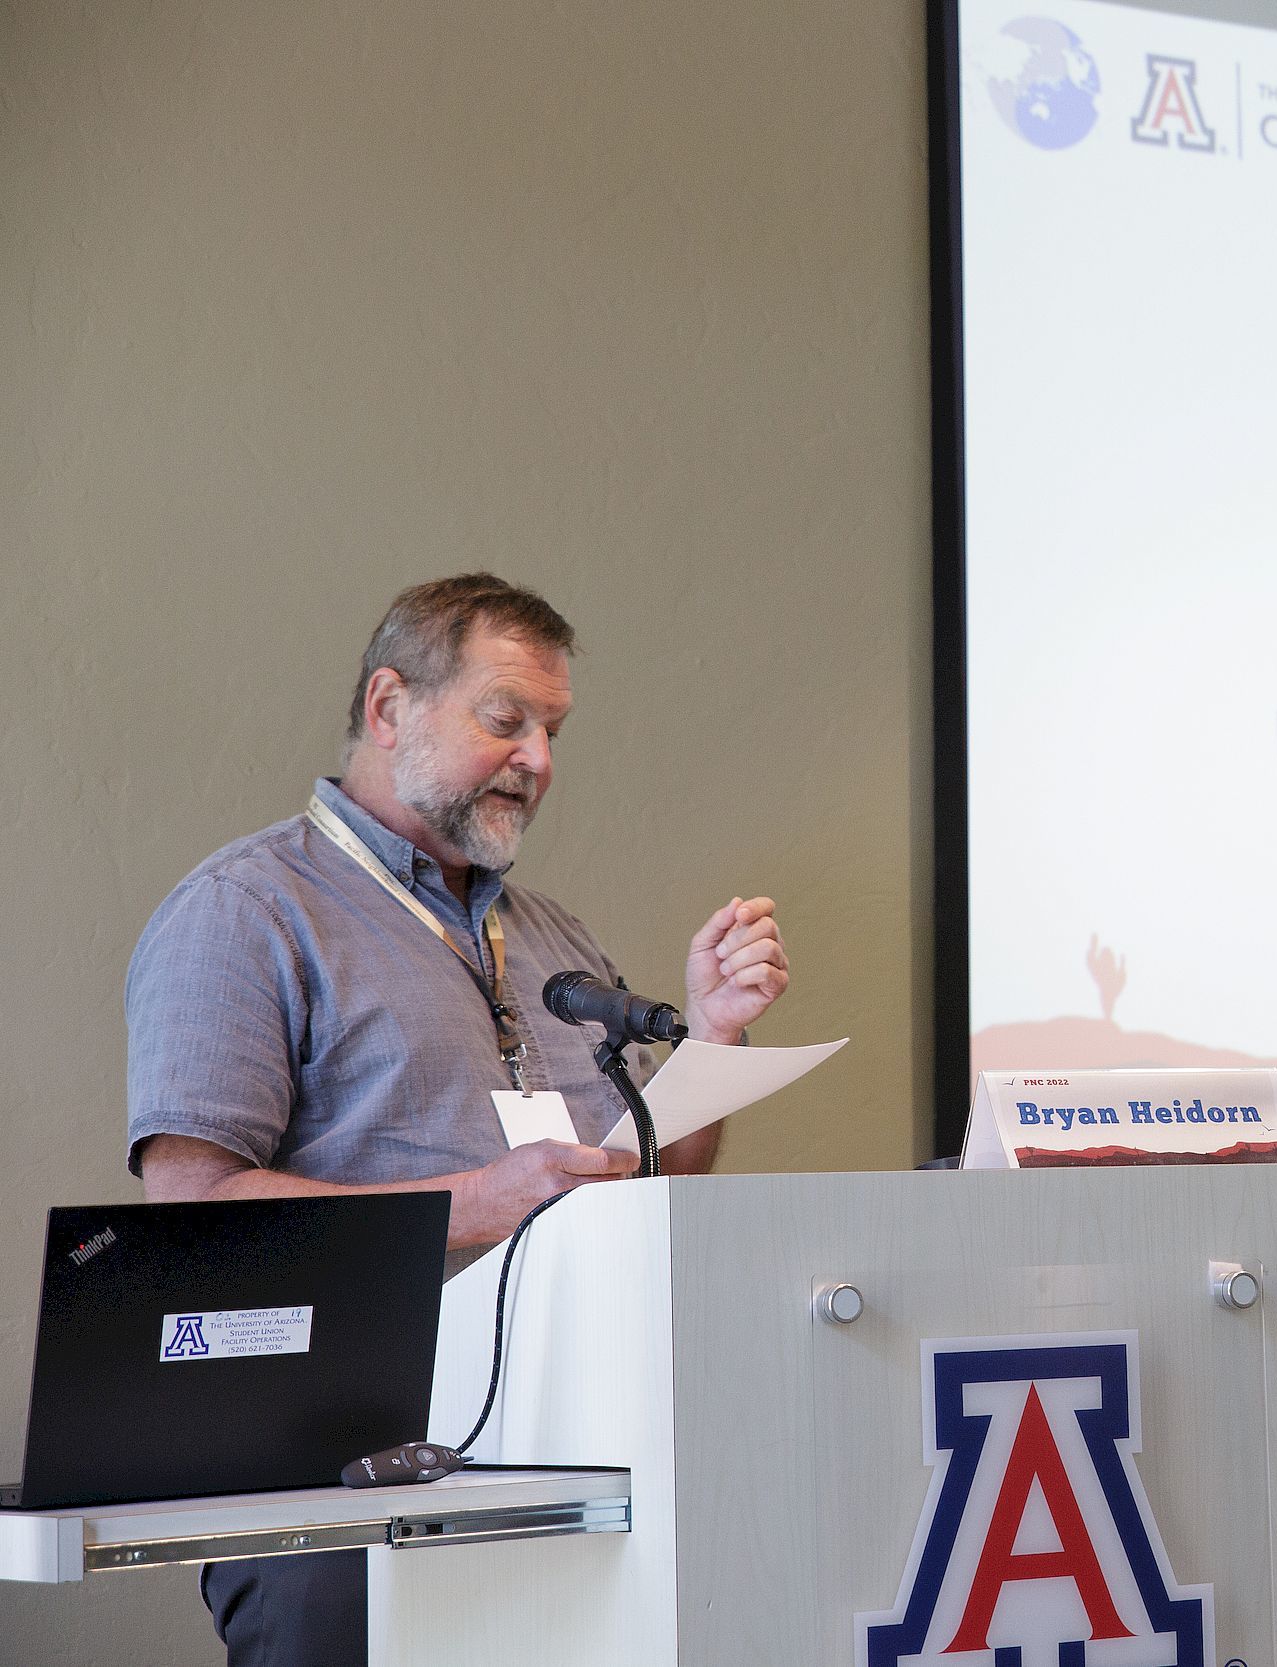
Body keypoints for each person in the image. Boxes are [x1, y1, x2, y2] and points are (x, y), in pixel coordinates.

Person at [124, 573, 792, 1667]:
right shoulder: (246, 913)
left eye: (553, 729)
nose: (538, 757)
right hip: (334, 1479)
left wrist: (713, 1035)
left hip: (568, 1447)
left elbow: (639, 1171)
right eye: (505, 718)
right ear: (390, 707)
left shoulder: (551, 935)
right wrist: (479, 1200)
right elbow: (193, 1214)